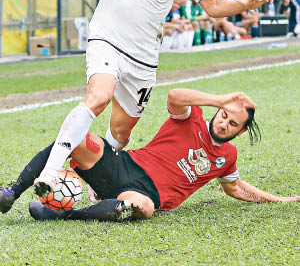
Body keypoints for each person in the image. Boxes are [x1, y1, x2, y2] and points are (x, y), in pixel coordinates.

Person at [34, 0, 273, 197]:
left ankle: (99, 183)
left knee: (121, 132)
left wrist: (245, 3)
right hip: (107, 39)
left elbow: (213, 5)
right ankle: (51, 172)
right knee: (99, 96)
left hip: (144, 59)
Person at [1, 89, 299, 222]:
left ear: (241, 132)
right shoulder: (191, 116)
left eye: (232, 123)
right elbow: (174, 97)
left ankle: (61, 214)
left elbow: (235, 188)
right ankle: (12, 192)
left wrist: (277, 199)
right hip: (123, 165)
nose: (223, 123)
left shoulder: (228, 157)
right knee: (75, 138)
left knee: (139, 208)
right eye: (222, 115)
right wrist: (219, 99)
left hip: (145, 194)